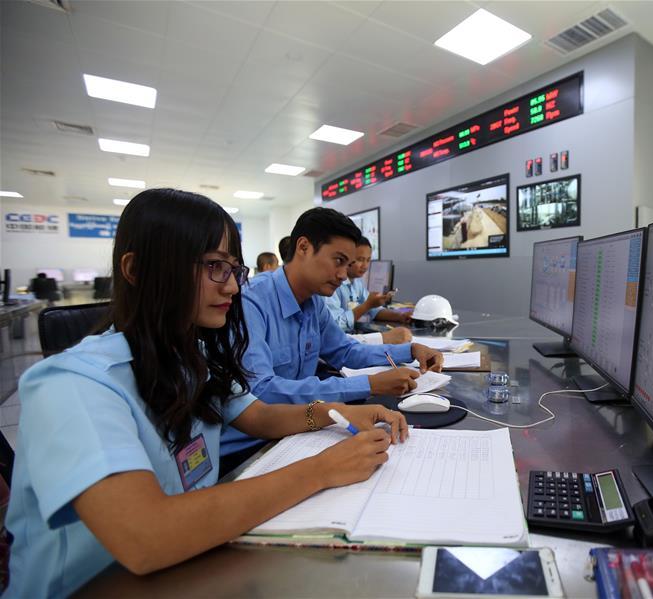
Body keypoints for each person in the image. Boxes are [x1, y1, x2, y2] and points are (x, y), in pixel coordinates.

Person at [4, 189, 408, 597]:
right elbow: (146, 535)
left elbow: (260, 415)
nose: (233, 287)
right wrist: (322, 469)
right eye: (215, 267)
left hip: (186, 565)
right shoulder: (73, 384)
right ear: (137, 269)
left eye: (235, 269)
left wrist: (334, 412)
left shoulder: (190, 357)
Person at [221, 208, 442, 467]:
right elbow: (262, 392)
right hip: (246, 451)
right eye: (338, 261)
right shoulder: (251, 302)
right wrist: (368, 384)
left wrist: (410, 351)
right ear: (303, 247)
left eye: (347, 265)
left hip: (295, 431)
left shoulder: (313, 303)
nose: (343, 275)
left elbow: (346, 351)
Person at [324, 236, 412, 345]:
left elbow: (373, 310)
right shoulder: (332, 285)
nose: (365, 266)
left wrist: (400, 316)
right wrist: (367, 305)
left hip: (352, 339)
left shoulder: (357, 283)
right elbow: (336, 324)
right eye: (360, 259)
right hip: (338, 342)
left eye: (368, 260)